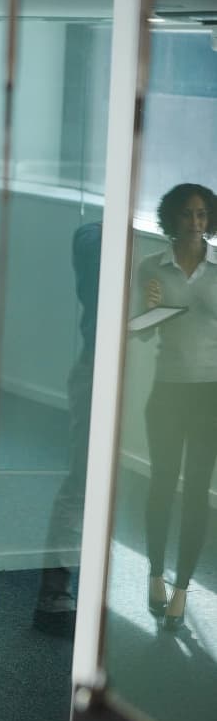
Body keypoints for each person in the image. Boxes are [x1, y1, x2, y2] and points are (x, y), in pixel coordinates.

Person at [133, 183, 217, 632]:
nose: (196, 223)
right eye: (188, 214)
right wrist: (147, 308)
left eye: (203, 215)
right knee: (162, 486)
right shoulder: (152, 266)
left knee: (198, 491)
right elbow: (140, 333)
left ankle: (183, 588)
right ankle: (154, 574)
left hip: (210, 395)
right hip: (166, 393)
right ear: (172, 219)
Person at [32, 221, 102, 637]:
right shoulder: (94, 238)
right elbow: (90, 248)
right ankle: (54, 594)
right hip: (96, 371)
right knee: (82, 483)